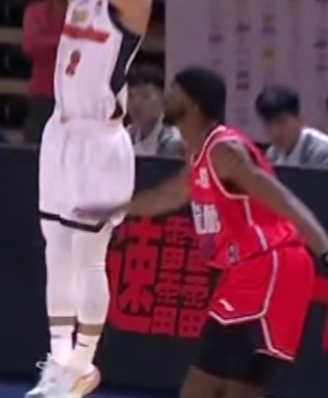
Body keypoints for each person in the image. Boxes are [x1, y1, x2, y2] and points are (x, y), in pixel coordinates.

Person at [0, 0, 166, 398]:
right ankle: (60, 364)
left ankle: (83, 364)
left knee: (89, 257)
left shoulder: (135, 2)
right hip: (61, 132)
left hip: (100, 141)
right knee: (56, 251)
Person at [84, 67, 328, 398]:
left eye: (174, 89)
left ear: (194, 103)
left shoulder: (225, 151)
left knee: (229, 388)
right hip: (243, 273)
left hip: (271, 267)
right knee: (209, 387)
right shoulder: (198, 153)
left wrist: (324, 248)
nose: (166, 95)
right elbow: (167, 196)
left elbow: (283, 199)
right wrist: (110, 210)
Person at [22, 0, 66, 142]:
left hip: (73, 98)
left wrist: (47, 40)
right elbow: (30, 46)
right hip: (42, 94)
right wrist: (65, 40)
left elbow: (84, 48)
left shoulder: (84, 13)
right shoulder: (34, 11)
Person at [253, 84, 328, 168]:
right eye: (268, 124)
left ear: (300, 120)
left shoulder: (323, 154)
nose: (275, 132)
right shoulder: (273, 154)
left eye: (281, 122)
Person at [127, 65, 185, 157]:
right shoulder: (125, 136)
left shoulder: (172, 140)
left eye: (145, 95)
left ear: (163, 98)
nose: (136, 103)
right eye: (130, 96)